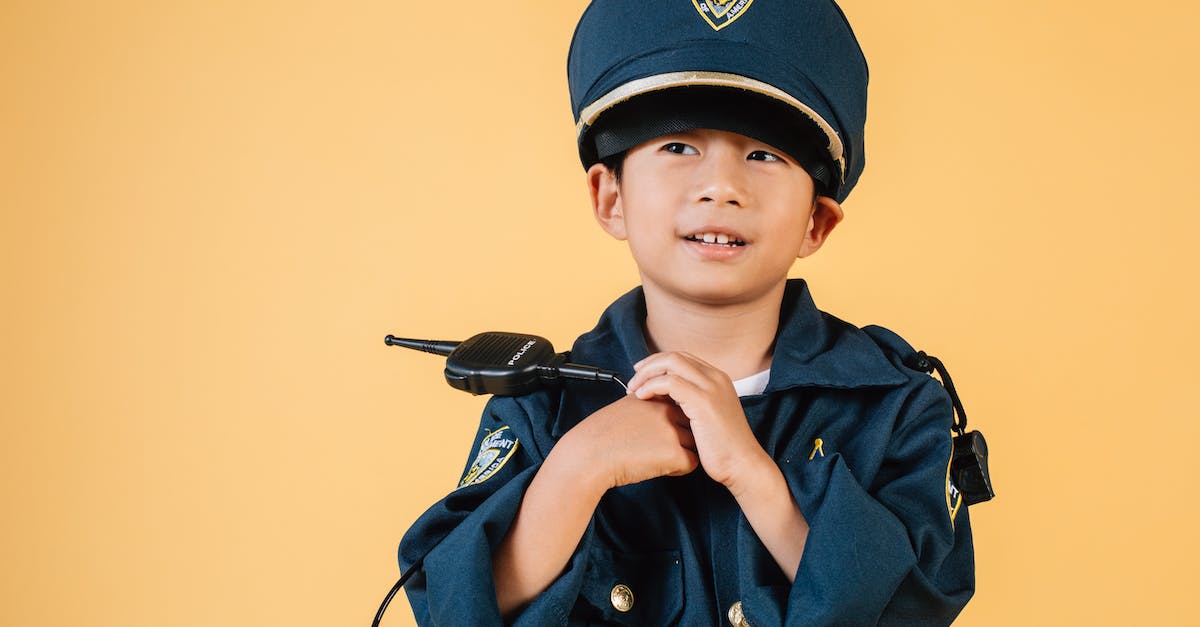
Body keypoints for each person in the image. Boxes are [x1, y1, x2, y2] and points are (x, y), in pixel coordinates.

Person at [398, 1, 975, 624]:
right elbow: (449, 607)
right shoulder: (543, 409)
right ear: (610, 196)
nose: (721, 186)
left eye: (765, 154)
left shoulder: (897, 406)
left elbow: (915, 610)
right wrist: (576, 469)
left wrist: (753, 474)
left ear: (817, 220)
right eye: (677, 145)